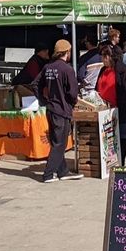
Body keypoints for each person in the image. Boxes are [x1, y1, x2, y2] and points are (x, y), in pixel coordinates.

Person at [33, 39, 80, 183]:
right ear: (67, 52)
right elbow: (73, 93)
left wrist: (43, 100)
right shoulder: (67, 69)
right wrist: (72, 103)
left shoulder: (48, 67)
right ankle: (48, 174)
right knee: (59, 144)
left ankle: (63, 171)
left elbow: (35, 84)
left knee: (56, 141)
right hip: (62, 110)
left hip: (51, 109)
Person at [95, 46, 126, 166]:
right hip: (104, 111)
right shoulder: (103, 70)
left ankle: (121, 161)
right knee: (107, 137)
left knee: (121, 135)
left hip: (120, 110)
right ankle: (108, 162)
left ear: (111, 57)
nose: (103, 59)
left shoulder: (123, 70)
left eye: (104, 56)